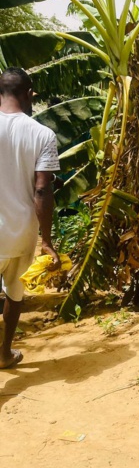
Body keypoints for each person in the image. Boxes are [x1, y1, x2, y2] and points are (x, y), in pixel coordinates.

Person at [0, 68, 61, 369]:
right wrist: (46, 241)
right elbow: (42, 189)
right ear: (29, 94)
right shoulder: (43, 134)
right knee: (15, 291)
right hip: (22, 231)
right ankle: (4, 353)